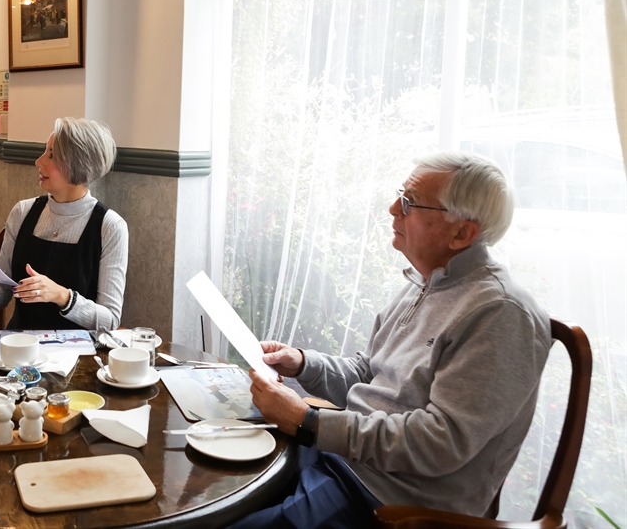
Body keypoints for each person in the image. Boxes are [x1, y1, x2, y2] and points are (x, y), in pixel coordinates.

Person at [230, 152, 551, 529]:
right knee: (219, 475)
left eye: (410, 203)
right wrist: (303, 362)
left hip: (391, 502)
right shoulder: (428, 280)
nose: (392, 208)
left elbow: (440, 443)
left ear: (462, 233)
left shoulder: (500, 314)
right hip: (343, 461)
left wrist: (308, 421)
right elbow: (370, 372)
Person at [0, 117, 128, 332]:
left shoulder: (110, 226)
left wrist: (62, 296)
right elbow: (2, 294)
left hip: (79, 356)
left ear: (77, 163)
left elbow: (110, 321)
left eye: (51, 155)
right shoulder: (22, 212)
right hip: (19, 349)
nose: (39, 162)